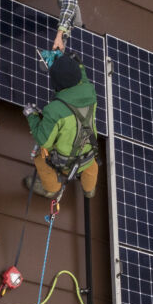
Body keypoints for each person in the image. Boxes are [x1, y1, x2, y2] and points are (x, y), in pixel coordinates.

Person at [22, 53, 100, 200]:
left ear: (56, 85)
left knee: (41, 158)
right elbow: (82, 77)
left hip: (65, 160)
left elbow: (43, 140)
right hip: (89, 152)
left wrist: (31, 115)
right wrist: (76, 62)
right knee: (91, 168)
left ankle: (51, 189)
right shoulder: (90, 91)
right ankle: (89, 190)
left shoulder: (54, 110)